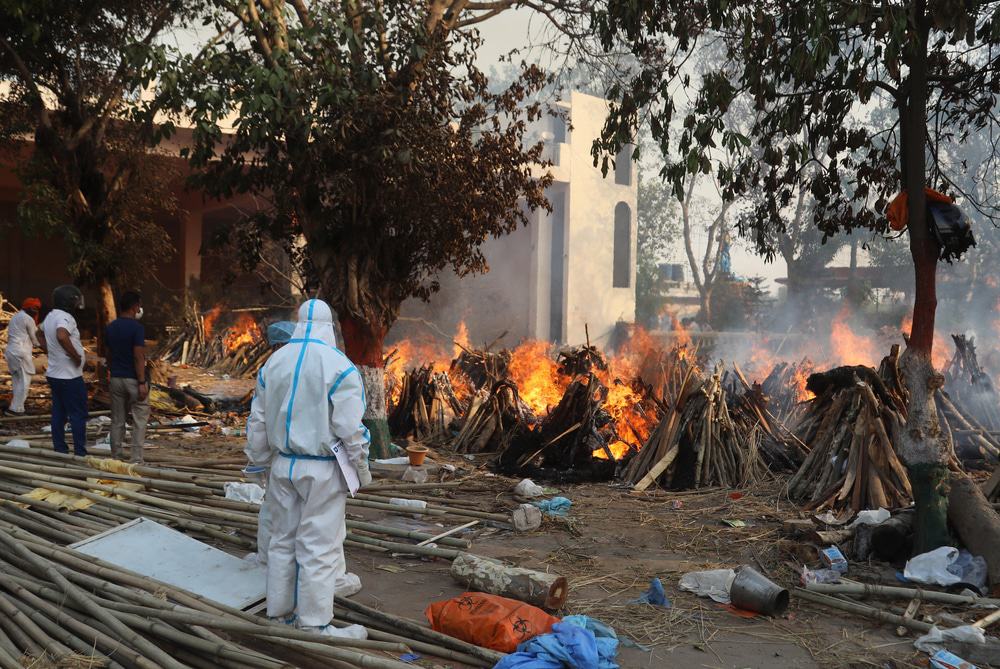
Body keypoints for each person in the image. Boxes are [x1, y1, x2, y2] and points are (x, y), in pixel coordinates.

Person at [245, 300, 372, 638]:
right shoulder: (339, 367)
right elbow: (349, 426)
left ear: (299, 323)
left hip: (282, 464)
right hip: (323, 467)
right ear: (329, 327)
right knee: (319, 546)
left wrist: (258, 460)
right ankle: (315, 623)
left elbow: (256, 419)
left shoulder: (273, 364)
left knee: (282, 541)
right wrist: (360, 464)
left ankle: (279, 614)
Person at [39, 285, 88, 456]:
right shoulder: (65, 317)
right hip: (70, 376)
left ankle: (60, 449)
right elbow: (61, 335)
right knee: (77, 414)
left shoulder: (50, 316)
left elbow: (39, 332)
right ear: (70, 301)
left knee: (59, 413)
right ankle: (80, 452)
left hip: (54, 374)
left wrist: (49, 350)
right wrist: (76, 356)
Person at [106, 291, 150, 463]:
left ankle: (116, 457)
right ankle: (136, 460)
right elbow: (139, 356)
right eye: (139, 305)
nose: (140, 309)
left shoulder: (111, 327)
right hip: (133, 379)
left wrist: (111, 371)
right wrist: (141, 382)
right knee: (139, 420)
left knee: (117, 420)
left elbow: (108, 354)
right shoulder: (137, 328)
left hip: (116, 379)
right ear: (134, 307)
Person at [3, 297, 41, 416]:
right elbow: (35, 339)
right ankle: (15, 409)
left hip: (11, 351)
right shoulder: (28, 319)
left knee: (17, 381)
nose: (36, 310)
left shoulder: (15, 316)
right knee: (24, 381)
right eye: (34, 308)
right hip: (21, 352)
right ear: (28, 308)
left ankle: (18, 408)